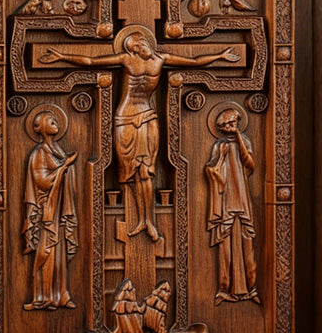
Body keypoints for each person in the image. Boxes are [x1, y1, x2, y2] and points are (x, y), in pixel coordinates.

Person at [40, 31, 238, 241]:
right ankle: (139, 218)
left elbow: (195, 61)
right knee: (130, 172)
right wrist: (61, 56)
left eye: (141, 43)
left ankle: (147, 220)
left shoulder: (162, 59)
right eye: (135, 46)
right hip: (125, 118)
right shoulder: (126, 59)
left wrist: (220, 56)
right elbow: (90, 61)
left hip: (148, 116)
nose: (141, 47)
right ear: (131, 49)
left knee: (146, 171)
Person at [22, 111, 78, 310]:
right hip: (47, 211)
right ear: (42, 127)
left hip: (60, 208)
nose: (56, 124)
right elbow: (42, 181)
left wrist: (65, 166)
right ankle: (43, 296)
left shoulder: (58, 150)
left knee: (59, 253)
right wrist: (64, 167)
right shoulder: (39, 153)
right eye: (51, 121)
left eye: (56, 121)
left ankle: (61, 295)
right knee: (47, 252)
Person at [205, 106, 259, 304]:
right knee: (225, 248)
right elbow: (211, 169)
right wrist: (220, 158)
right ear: (221, 128)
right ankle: (224, 289)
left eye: (233, 123)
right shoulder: (219, 146)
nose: (231, 127)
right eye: (227, 125)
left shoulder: (244, 141)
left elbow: (250, 164)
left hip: (242, 198)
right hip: (226, 200)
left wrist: (238, 138)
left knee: (247, 245)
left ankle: (251, 288)